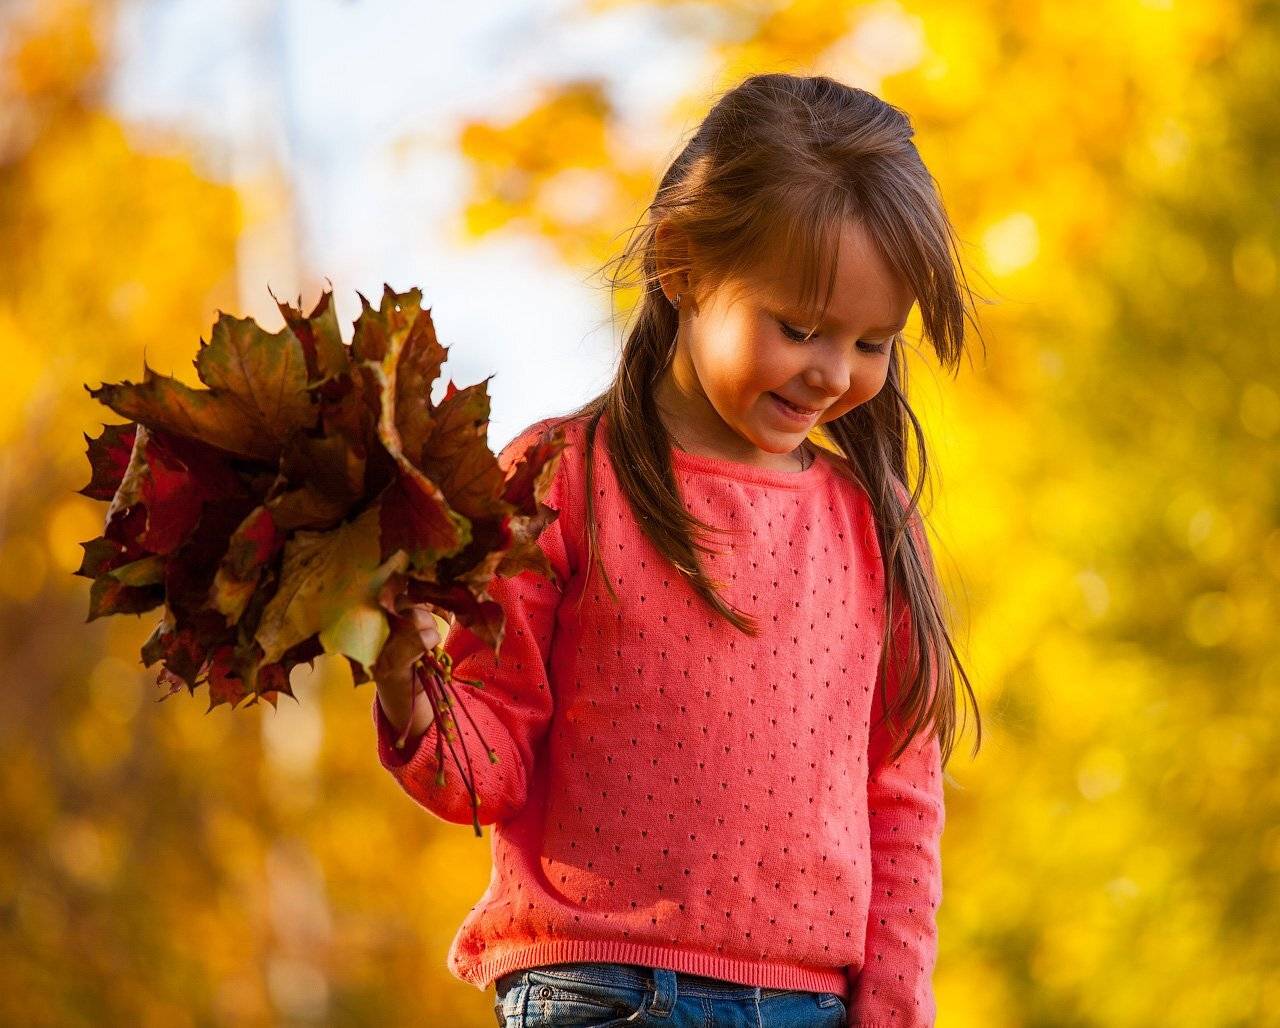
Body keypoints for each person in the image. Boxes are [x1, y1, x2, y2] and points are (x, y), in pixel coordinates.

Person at [371, 71, 985, 1028]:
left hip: (809, 1005)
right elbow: (492, 767)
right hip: (597, 990)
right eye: (801, 329)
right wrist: (410, 683)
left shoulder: (873, 522)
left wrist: (895, 1007)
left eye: (873, 343)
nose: (834, 373)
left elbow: (901, 798)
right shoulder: (558, 479)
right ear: (681, 264)